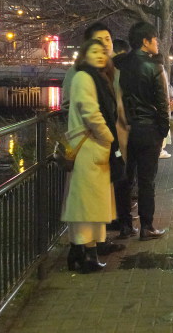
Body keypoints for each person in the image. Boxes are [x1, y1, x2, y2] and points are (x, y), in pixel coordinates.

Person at [61, 22, 126, 253]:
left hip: (102, 144)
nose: (104, 47)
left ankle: (95, 245)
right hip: (91, 143)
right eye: (97, 45)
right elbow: (87, 110)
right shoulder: (81, 75)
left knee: (97, 199)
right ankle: (83, 250)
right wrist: (108, 136)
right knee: (86, 201)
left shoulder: (106, 72)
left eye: (107, 41)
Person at [115, 21, 168, 241]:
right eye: (155, 39)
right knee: (147, 180)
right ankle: (147, 226)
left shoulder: (118, 64)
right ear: (145, 42)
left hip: (124, 129)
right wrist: (163, 129)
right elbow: (162, 102)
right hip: (148, 129)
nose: (157, 43)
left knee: (125, 178)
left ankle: (125, 225)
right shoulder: (154, 67)